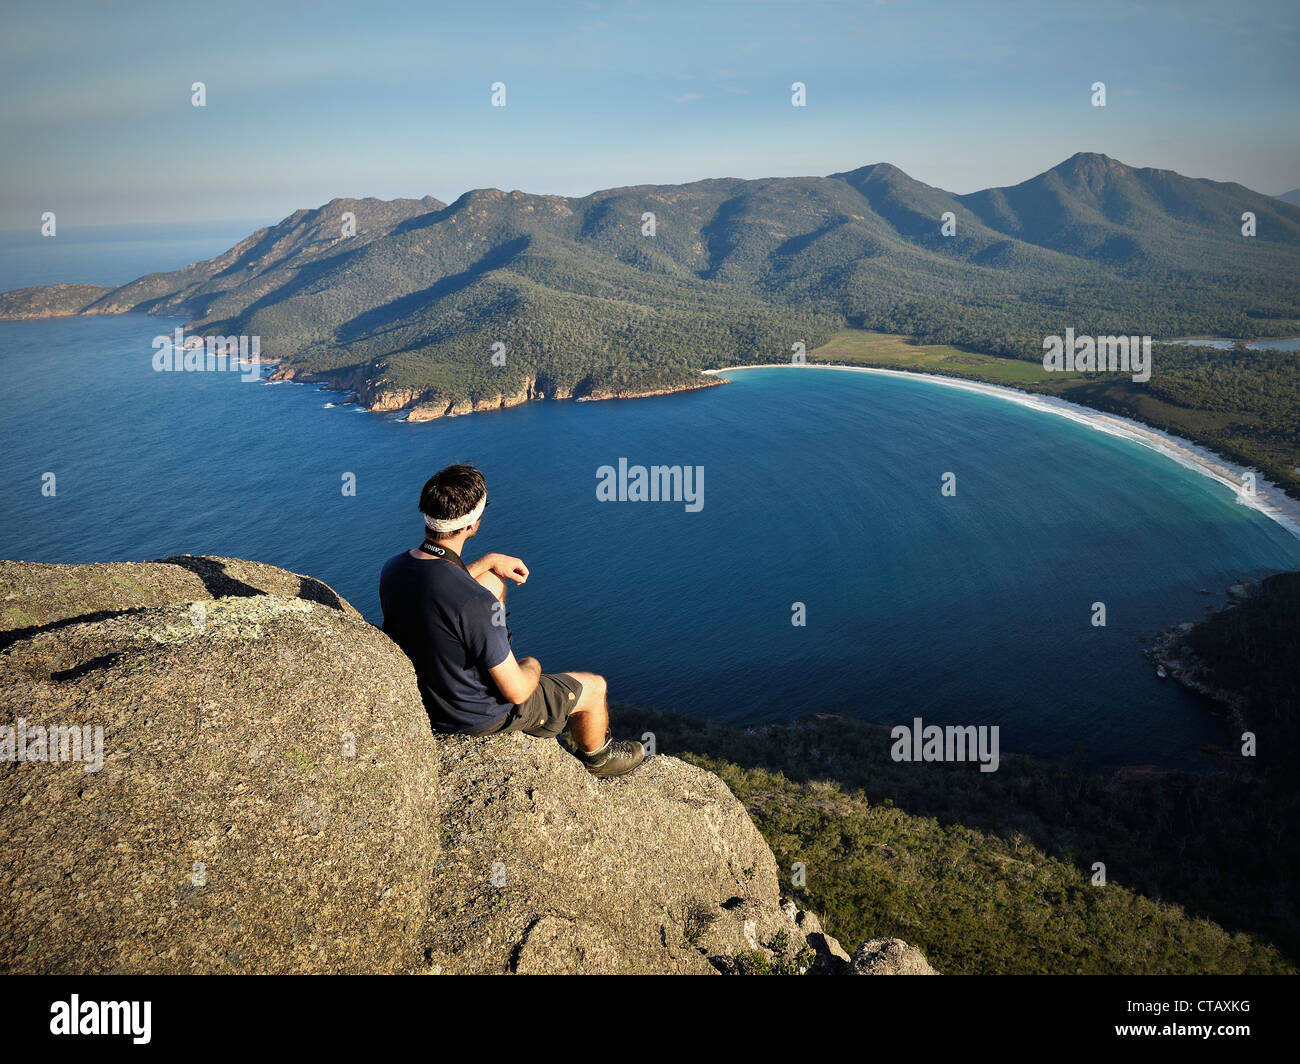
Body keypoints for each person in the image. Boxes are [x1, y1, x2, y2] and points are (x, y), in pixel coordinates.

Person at [378, 463, 645, 778]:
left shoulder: (393, 568)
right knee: (593, 687)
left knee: (493, 579)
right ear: (473, 523)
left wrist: (490, 561)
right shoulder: (474, 603)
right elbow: (517, 692)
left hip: (433, 689)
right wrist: (532, 665)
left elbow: (440, 586)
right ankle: (598, 759)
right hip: (475, 715)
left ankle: (493, 647)